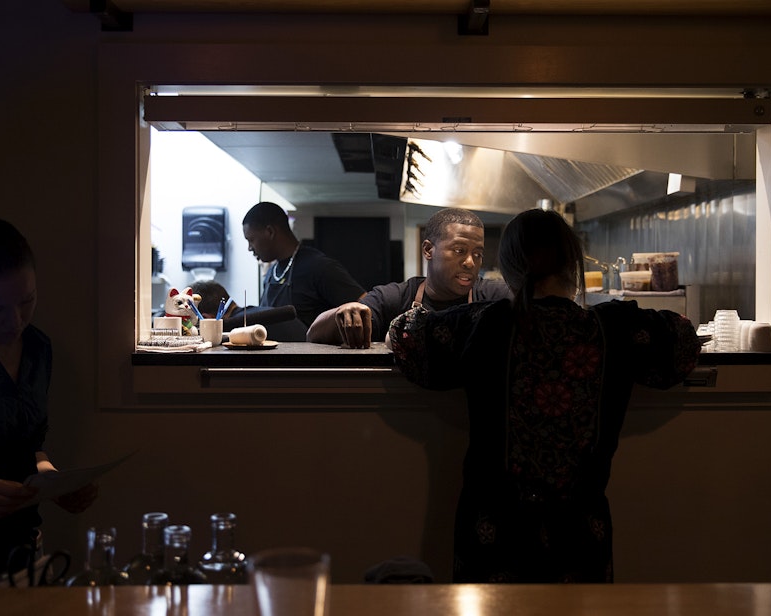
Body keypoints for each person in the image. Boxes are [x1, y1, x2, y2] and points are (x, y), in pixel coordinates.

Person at [387, 208, 701, 583]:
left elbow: (407, 334)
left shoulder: (485, 324)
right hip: (581, 530)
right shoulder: (610, 327)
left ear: (508, 269)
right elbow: (684, 340)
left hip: (494, 531)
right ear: (572, 263)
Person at [0, 215, 97, 583]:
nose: (15, 321)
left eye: (27, 301)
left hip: (25, 554)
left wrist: (53, 481)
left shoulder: (38, 349)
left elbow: (29, 446)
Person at [307, 207, 512, 348]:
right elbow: (313, 335)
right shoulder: (394, 297)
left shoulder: (494, 295)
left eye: (477, 254)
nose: (470, 262)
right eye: (459, 250)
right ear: (428, 250)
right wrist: (342, 313)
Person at [241, 201, 366, 330]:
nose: (250, 248)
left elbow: (366, 307)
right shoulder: (272, 273)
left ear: (270, 232)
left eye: (251, 240)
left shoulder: (320, 267)